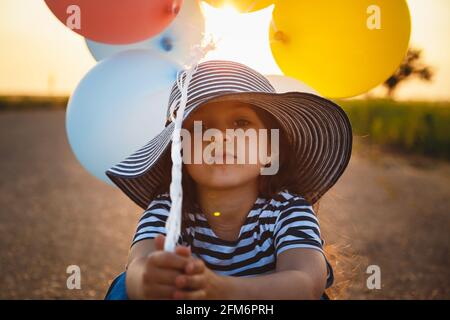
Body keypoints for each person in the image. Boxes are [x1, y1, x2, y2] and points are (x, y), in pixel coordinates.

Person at [104, 60, 352, 300]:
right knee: (125, 285)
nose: (221, 137)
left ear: (270, 150)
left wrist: (221, 291)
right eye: (200, 126)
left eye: (241, 123)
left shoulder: (287, 209)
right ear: (180, 152)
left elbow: (307, 281)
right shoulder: (168, 209)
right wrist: (150, 278)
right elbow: (138, 264)